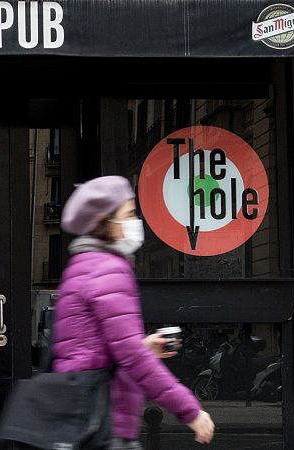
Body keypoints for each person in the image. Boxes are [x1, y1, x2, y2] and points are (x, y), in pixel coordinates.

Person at [51, 176, 215, 449]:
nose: (134, 221)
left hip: (82, 415)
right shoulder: (108, 269)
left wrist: (143, 346)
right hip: (106, 420)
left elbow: (91, 347)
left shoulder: (79, 266)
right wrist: (190, 410)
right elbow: (132, 357)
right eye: (128, 213)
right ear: (105, 220)